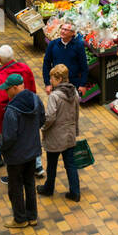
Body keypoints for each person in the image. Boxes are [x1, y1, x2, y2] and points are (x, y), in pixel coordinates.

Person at [0, 73, 46, 229]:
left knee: (15, 187)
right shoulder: (35, 99)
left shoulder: (11, 109)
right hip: (32, 151)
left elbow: (9, 137)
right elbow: (42, 119)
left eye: (7, 89)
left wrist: (3, 150)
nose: (6, 92)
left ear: (14, 88)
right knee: (29, 183)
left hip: (15, 156)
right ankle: (32, 216)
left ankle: (20, 219)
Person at [38, 63, 81, 202]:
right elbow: (76, 113)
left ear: (59, 79)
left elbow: (50, 117)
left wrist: (43, 127)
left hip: (55, 136)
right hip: (69, 134)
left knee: (52, 164)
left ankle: (49, 188)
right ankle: (75, 192)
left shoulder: (54, 96)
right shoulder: (74, 92)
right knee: (70, 164)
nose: (50, 81)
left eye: (52, 78)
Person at [42, 21, 88, 91]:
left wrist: (82, 84)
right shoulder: (53, 44)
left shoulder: (78, 46)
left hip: (73, 84)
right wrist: (47, 83)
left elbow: (84, 66)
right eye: (62, 29)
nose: (62, 31)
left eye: (66, 30)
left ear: (73, 33)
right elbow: (46, 64)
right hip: (57, 83)